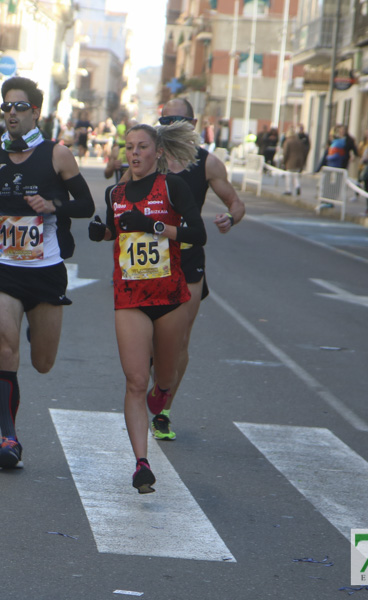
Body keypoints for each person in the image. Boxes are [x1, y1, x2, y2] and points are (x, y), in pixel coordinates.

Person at [0, 76, 95, 469]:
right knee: (6, 349)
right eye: (5, 107)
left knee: (42, 362)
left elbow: (85, 205)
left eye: (19, 107)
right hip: (4, 270)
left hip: (45, 271)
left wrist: (52, 204)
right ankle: (8, 439)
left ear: (35, 112)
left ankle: (34, 322)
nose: (11, 113)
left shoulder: (56, 155)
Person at [86, 121, 206, 493]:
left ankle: (164, 392)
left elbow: (197, 234)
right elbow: (114, 229)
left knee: (163, 379)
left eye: (141, 147)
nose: (134, 153)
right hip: (130, 298)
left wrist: (155, 226)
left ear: (157, 152)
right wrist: (101, 232)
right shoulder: (114, 192)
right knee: (136, 381)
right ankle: (141, 463)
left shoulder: (173, 186)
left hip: (169, 297)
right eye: (129, 147)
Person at [148, 98, 245, 441]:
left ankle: (163, 411)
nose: (169, 124)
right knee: (149, 338)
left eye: (176, 119)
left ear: (192, 123)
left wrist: (229, 218)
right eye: (164, 119)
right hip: (149, 258)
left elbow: (236, 202)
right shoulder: (149, 157)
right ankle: (151, 380)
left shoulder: (207, 163)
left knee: (179, 340)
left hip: (188, 258)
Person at [282, 128, 308, 195]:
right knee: (296, 175)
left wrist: (284, 162)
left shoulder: (288, 142)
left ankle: (288, 190)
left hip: (290, 161)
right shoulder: (299, 141)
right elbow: (304, 151)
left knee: (289, 176)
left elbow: (285, 153)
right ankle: (297, 186)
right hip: (299, 161)